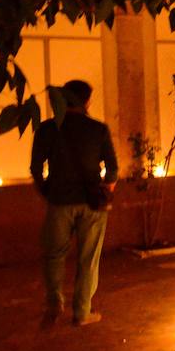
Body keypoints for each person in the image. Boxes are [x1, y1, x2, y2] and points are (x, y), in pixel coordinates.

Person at [31, 79, 119, 327]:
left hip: (59, 201)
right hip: (91, 204)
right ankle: (82, 311)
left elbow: (36, 168)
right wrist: (105, 189)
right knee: (88, 257)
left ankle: (54, 301)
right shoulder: (98, 129)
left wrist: (46, 190)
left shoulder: (47, 129)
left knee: (54, 254)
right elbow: (113, 169)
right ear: (87, 101)